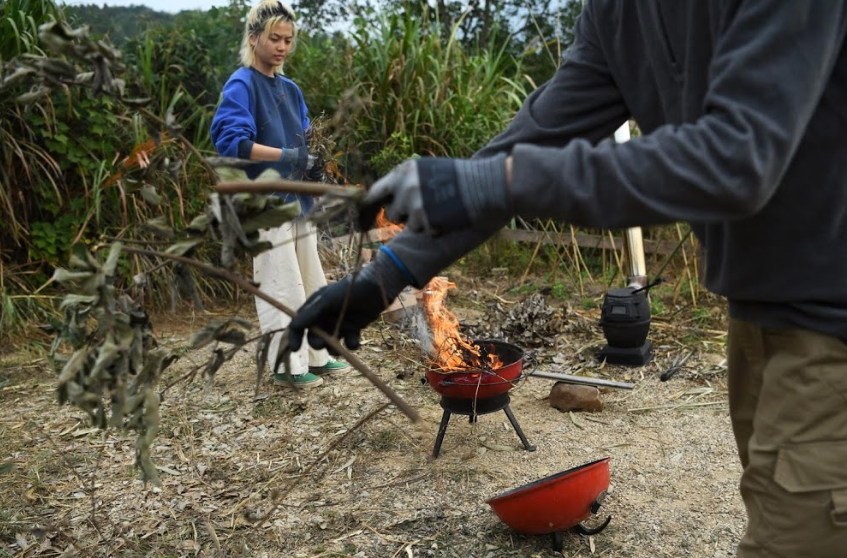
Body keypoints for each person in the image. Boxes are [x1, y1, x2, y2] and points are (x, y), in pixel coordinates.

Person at [288, 1, 847, 556]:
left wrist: (499, 182)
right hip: (761, 313)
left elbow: (736, 157)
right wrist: (385, 277)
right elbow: (529, 145)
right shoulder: (618, 13)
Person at [210, 0, 349, 389]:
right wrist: (288, 155)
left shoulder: (290, 88)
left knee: (311, 278)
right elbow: (233, 142)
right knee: (281, 281)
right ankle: (288, 365)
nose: (282, 47)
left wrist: (312, 159)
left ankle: (318, 355)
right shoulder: (242, 84)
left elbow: (305, 136)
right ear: (254, 38)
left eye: (288, 40)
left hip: (297, 200)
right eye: (274, 38)